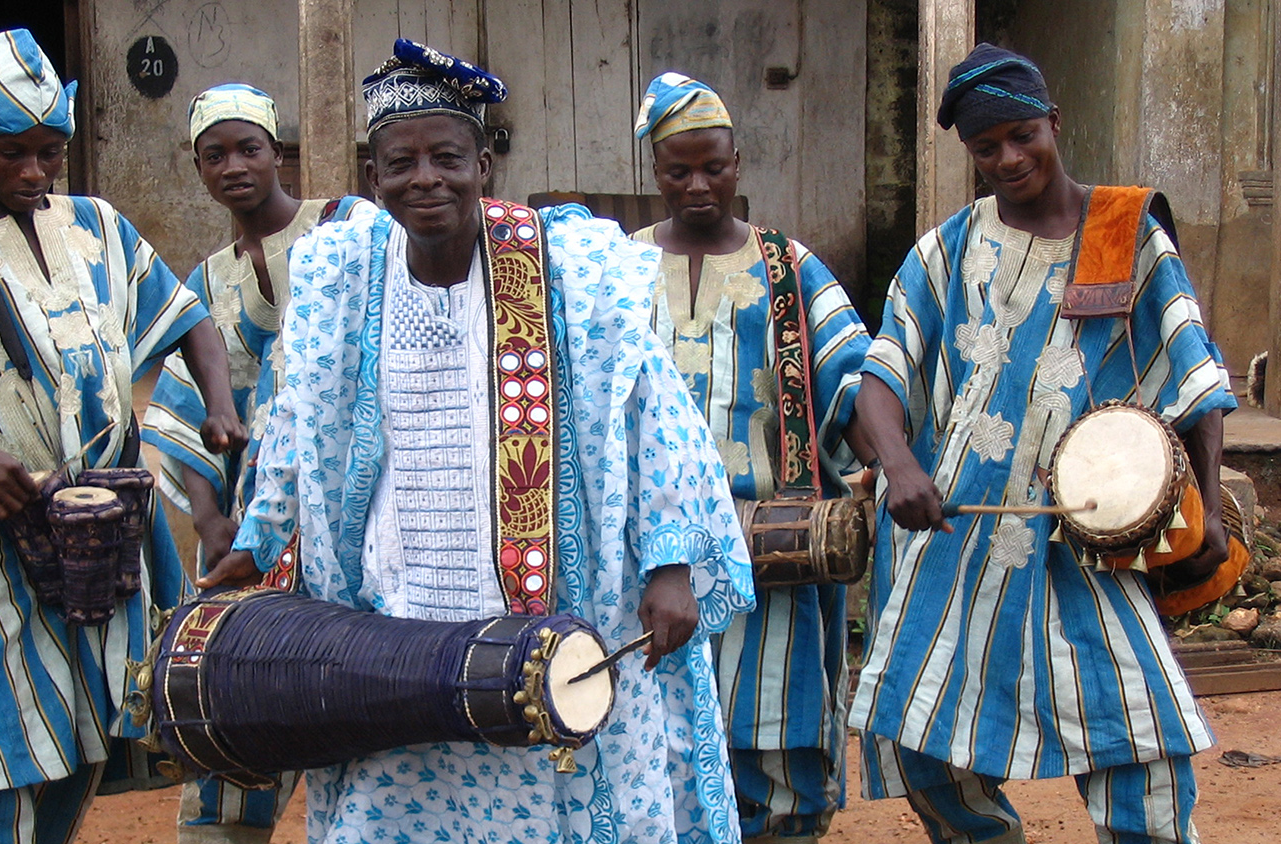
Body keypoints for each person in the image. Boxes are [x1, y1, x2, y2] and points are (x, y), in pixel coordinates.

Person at [202, 39, 756, 844]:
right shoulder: (342, 273)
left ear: (485, 164)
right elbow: (294, 424)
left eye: (447, 157)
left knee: (551, 772)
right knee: (395, 795)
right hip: (392, 612)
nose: (426, 178)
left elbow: (652, 408)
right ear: (372, 177)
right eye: (402, 163)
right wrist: (259, 541)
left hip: (560, 602)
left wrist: (671, 563)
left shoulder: (570, 265)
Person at [0, 29, 246, 843]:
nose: (32, 173)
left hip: (102, 532)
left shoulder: (98, 227)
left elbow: (189, 318)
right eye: (11, 154)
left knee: (82, 729)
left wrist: (220, 403)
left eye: (49, 154)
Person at [848, 44, 1235, 844]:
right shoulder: (945, 250)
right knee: (918, 728)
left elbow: (1195, 382)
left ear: (1054, 122)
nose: (1008, 158)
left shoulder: (1126, 235)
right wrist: (900, 465)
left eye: (1023, 135)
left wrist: (1212, 517)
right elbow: (880, 375)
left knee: (1142, 737)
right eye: (986, 148)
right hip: (950, 533)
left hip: (1093, 539)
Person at [630, 74, 873, 844]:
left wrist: (885, 465)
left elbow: (851, 380)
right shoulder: (620, 268)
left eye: (713, 167)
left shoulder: (789, 268)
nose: (698, 186)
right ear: (655, 172)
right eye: (678, 170)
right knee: (653, 743)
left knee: (777, 746)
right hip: (648, 556)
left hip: (772, 547)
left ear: (740, 163)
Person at [142, 82, 372, 844]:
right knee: (236, 697)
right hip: (255, 536)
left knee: (360, 696)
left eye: (249, 148)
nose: (234, 165)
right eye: (216, 155)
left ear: (279, 152)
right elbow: (179, 409)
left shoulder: (345, 229)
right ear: (198, 169)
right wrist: (210, 520)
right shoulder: (205, 282)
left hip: (350, 521)